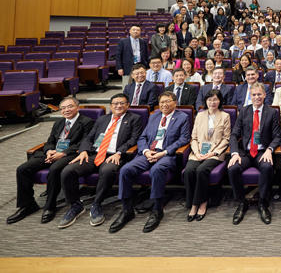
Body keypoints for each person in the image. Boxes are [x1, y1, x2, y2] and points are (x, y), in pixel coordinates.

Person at [111, 91, 191, 233]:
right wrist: (146, 151)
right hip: (148, 153)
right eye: (161, 102)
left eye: (167, 101)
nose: (164, 105)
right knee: (125, 170)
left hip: (166, 154)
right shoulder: (154, 116)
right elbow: (142, 137)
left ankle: (157, 209)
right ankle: (127, 209)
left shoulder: (182, 117)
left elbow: (184, 138)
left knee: (157, 170)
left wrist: (164, 152)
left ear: (175, 103)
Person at [59, 93, 142, 228]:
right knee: (68, 171)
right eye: (115, 103)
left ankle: (97, 204)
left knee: (107, 170)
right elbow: (89, 138)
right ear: (110, 106)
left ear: (127, 105)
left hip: (114, 155)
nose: (118, 106)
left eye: (122, 103)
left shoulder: (134, 119)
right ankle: (75, 205)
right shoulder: (102, 119)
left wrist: (119, 153)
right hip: (94, 153)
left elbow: (134, 139)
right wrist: (84, 151)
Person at [6, 97, 94, 225]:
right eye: (63, 108)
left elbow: (85, 142)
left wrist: (63, 153)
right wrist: (49, 151)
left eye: (70, 106)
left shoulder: (87, 122)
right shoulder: (59, 122)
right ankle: (27, 205)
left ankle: (50, 206)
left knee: (55, 169)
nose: (66, 110)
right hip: (52, 153)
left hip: (71, 154)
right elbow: (50, 141)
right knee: (23, 169)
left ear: (77, 107)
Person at [228, 83, 281, 225]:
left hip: (262, 152)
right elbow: (234, 135)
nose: (257, 97)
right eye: (254, 94)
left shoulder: (272, 112)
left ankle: (263, 202)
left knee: (267, 167)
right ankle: (242, 202)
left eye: (259, 94)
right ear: (250, 96)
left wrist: (269, 150)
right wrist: (234, 153)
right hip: (245, 152)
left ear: (264, 95)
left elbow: (277, 136)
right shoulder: (244, 111)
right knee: (232, 168)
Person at [184, 89, 231, 221]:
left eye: (215, 99)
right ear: (206, 101)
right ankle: (193, 203)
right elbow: (193, 138)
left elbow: (226, 138)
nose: (212, 102)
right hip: (198, 152)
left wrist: (213, 152)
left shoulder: (225, 116)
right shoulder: (200, 115)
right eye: (210, 99)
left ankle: (201, 203)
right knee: (188, 171)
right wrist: (197, 152)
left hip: (215, 152)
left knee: (201, 170)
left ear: (220, 101)